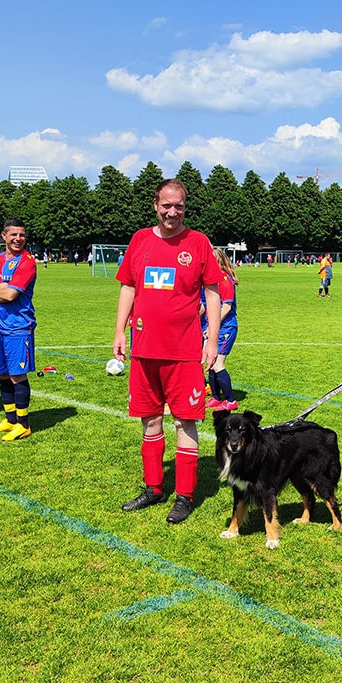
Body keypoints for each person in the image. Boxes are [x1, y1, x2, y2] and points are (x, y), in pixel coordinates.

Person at [113, 179, 222, 524]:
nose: (172, 212)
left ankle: (185, 495)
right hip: (145, 350)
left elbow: (213, 295)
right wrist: (119, 331)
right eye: (166, 206)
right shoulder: (140, 240)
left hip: (184, 352)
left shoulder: (198, 243)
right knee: (150, 420)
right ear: (155, 205)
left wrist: (212, 339)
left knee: (185, 422)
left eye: (179, 206)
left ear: (185, 207)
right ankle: (154, 487)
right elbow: (129, 286)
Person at [0, 219, 38, 441]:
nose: (18, 239)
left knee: (17, 375)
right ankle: (10, 419)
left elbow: (11, 295)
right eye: (13, 235)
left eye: (22, 235)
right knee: (2, 374)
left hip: (18, 327)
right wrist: (0, 287)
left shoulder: (27, 262)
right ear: (4, 236)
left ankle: (23, 424)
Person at [202, 247, 240, 411]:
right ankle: (217, 397)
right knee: (210, 362)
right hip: (213, 327)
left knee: (218, 364)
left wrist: (212, 326)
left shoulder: (224, 280)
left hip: (226, 327)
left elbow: (226, 307)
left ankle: (231, 400)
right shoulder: (212, 281)